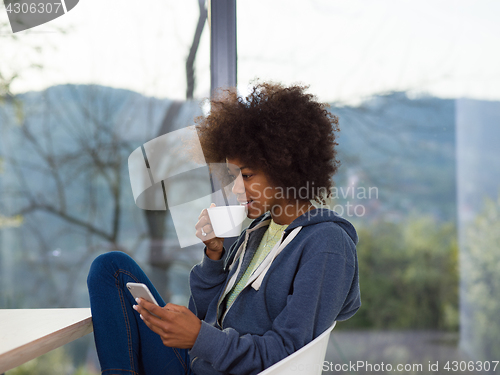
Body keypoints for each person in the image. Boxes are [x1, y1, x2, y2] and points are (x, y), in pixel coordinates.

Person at [87, 82, 361, 375]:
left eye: (247, 175)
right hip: (198, 363)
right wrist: (214, 256)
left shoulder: (327, 244)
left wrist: (198, 338)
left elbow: (287, 354)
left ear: (285, 166)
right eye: (232, 176)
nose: (237, 189)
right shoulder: (257, 232)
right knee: (111, 268)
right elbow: (204, 315)